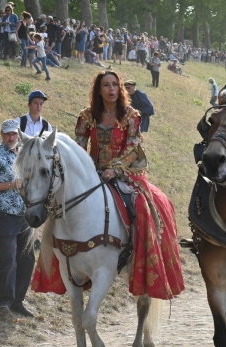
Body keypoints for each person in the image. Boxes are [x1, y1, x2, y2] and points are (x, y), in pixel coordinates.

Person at [71, 70, 185, 298]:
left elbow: (133, 147)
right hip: (94, 174)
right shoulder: (86, 116)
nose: (111, 89)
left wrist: (116, 169)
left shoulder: (131, 115)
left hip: (125, 174)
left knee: (142, 206)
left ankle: (137, 254)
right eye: (106, 85)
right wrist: (83, 171)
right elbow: (79, 147)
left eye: (115, 84)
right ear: (98, 89)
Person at [0, 119, 35, 318]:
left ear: (18, 135)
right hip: (2, 214)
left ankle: (18, 302)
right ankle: (4, 303)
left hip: (23, 214)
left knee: (28, 259)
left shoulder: (22, 154)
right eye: (7, 134)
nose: (11, 138)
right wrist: (10, 184)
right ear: (2, 135)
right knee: (9, 257)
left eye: (14, 134)